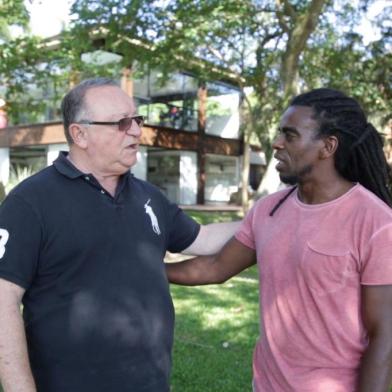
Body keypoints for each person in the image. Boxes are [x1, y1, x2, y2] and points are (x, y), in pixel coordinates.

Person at [0, 78, 239, 392]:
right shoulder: (30, 203)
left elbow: (204, 239)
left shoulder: (149, 196)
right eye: (122, 123)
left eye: (136, 120)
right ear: (80, 134)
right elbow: (4, 301)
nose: (137, 131)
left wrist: (272, 217)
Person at [167, 88, 392, 392]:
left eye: (290, 135)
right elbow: (216, 267)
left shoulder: (376, 222)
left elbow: (385, 335)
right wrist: (147, 269)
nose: (276, 143)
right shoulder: (269, 209)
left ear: (328, 146)